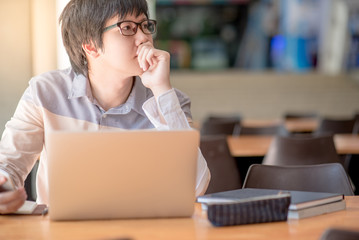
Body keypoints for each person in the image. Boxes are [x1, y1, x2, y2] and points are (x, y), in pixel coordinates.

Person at [0, 0, 210, 214]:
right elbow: (8, 166)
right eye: (128, 28)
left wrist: (162, 90)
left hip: (145, 230)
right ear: (91, 45)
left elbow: (196, 187)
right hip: (62, 232)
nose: (144, 38)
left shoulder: (168, 100)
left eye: (145, 25)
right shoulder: (44, 92)